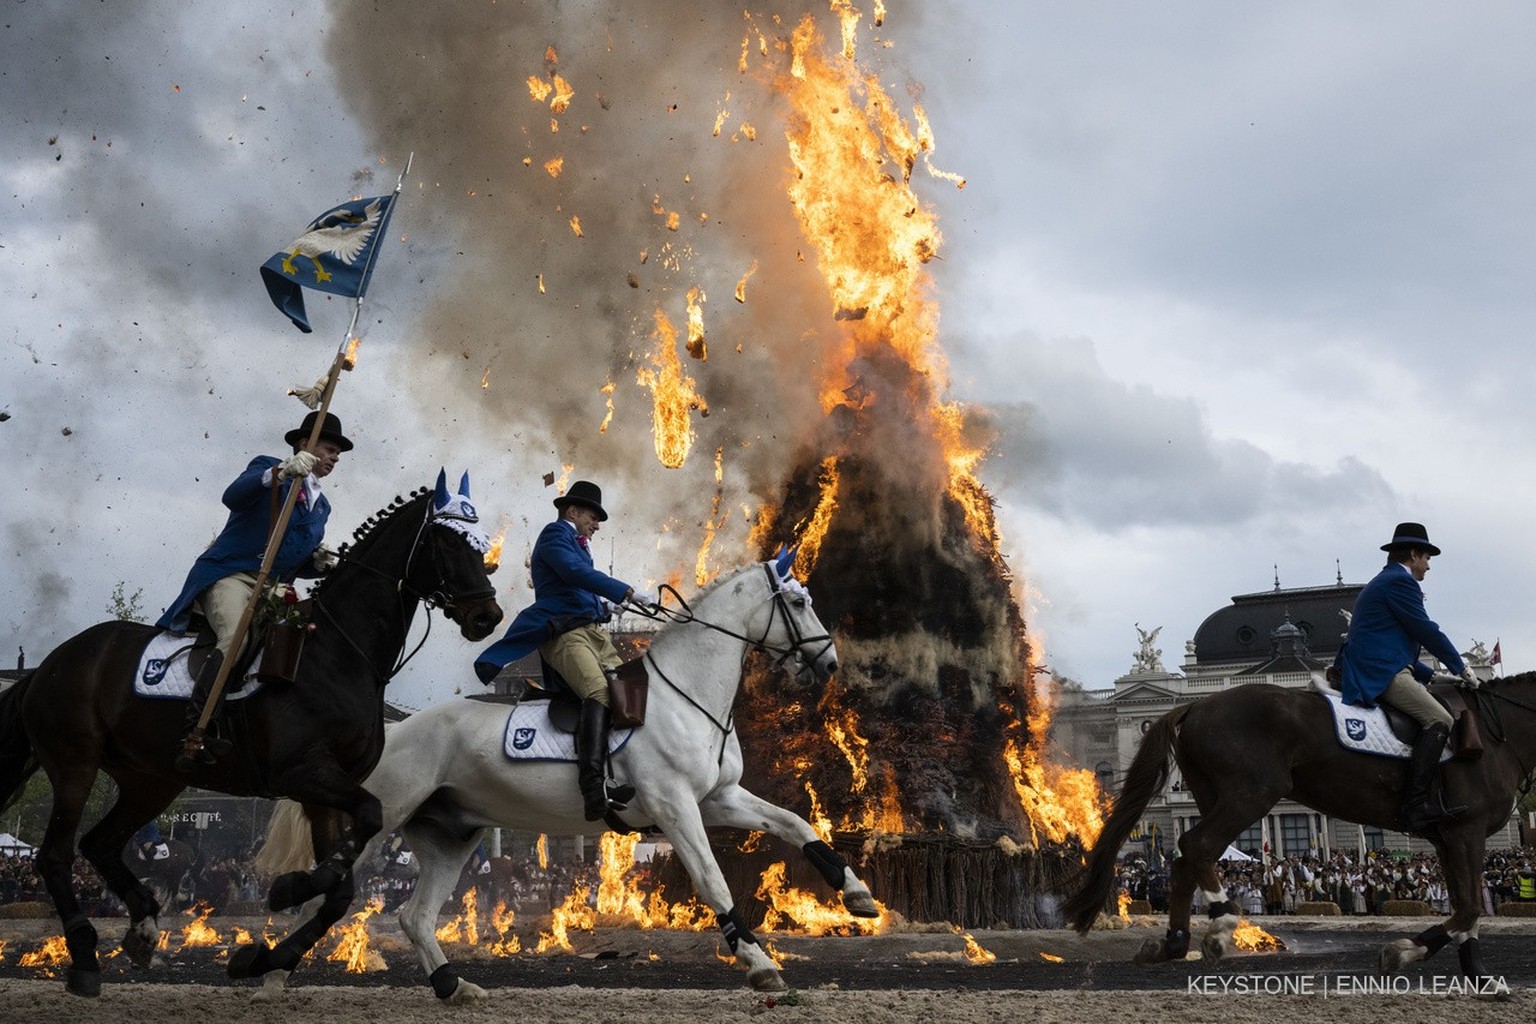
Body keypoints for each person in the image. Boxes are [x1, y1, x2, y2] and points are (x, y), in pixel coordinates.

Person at [157, 409, 352, 764]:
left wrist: (316, 564)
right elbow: (232, 496)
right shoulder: (268, 466)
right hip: (231, 574)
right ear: (305, 445)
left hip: (274, 588)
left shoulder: (322, 507)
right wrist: (278, 473)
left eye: (337, 454)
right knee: (236, 636)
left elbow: (292, 559)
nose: (335, 458)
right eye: (329, 449)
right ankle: (195, 731)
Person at [474, 480, 655, 820]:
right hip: (565, 636)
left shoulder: (579, 544)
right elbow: (574, 574)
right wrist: (626, 593)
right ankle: (593, 790)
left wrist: (606, 608)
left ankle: (626, 775)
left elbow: (578, 592)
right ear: (572, 511)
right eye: (593, 516)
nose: (597, 524)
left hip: (592, 632)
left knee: (630, 691)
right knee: (601, 692)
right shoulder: (554, 535)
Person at [1334, 522, 1477, 832]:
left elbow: (1400, 648)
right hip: (1378, 671)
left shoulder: (1386, 581)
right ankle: (1416, 805)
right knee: (1439, 719)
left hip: (1383, 662)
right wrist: (1459, 667)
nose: (1428, 566)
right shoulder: (1401, 582)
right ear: (1414, 554)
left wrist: (1434, 675)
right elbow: (1425, 630)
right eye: (1427, 558)